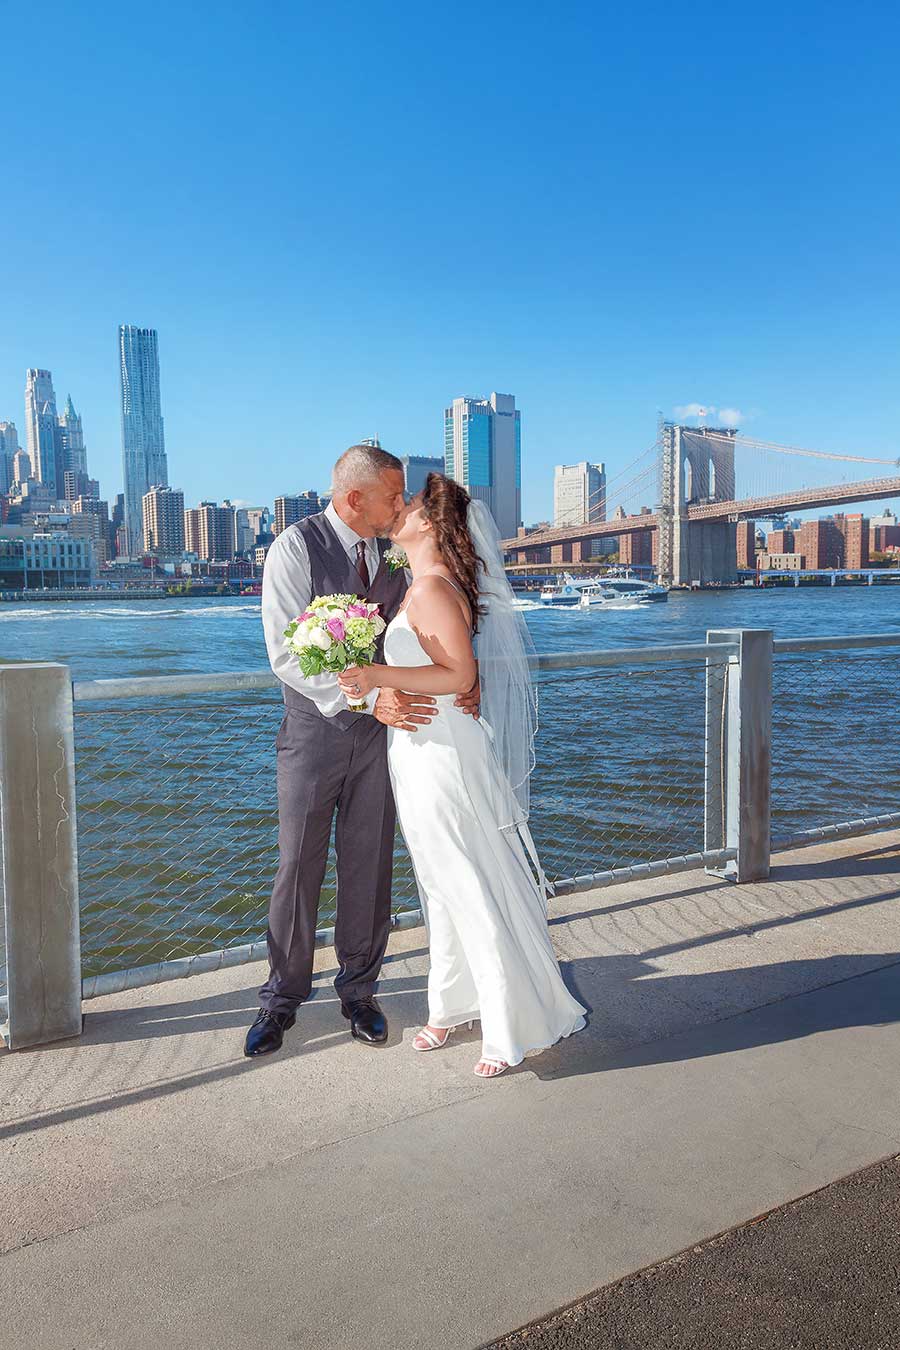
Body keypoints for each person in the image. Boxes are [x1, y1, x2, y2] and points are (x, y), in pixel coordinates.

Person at [339, 473, 586, 1077]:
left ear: (429, 524)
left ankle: (508, 1028)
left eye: (410, 504)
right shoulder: (418, 586)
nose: (398, 510)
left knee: (466, 883)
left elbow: (459, 676)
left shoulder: (430, 590)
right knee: (440, 884)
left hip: (443, 754)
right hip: (420, 750)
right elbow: (454, 675)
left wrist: (378, 677)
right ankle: (450, 1005)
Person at [245, 445, 478, 1057]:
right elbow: (286, 655)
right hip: (314, 738)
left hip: (386, 742)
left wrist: (467, 683)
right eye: (391, 495)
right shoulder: (294, 548)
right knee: (297, 866)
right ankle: (280, 1000)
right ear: (354, 498)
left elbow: (439, 624)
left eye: (403, 497)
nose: (399, 505)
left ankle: (360, 991)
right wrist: (371, 701)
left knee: (369, 867)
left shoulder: (396, 553)